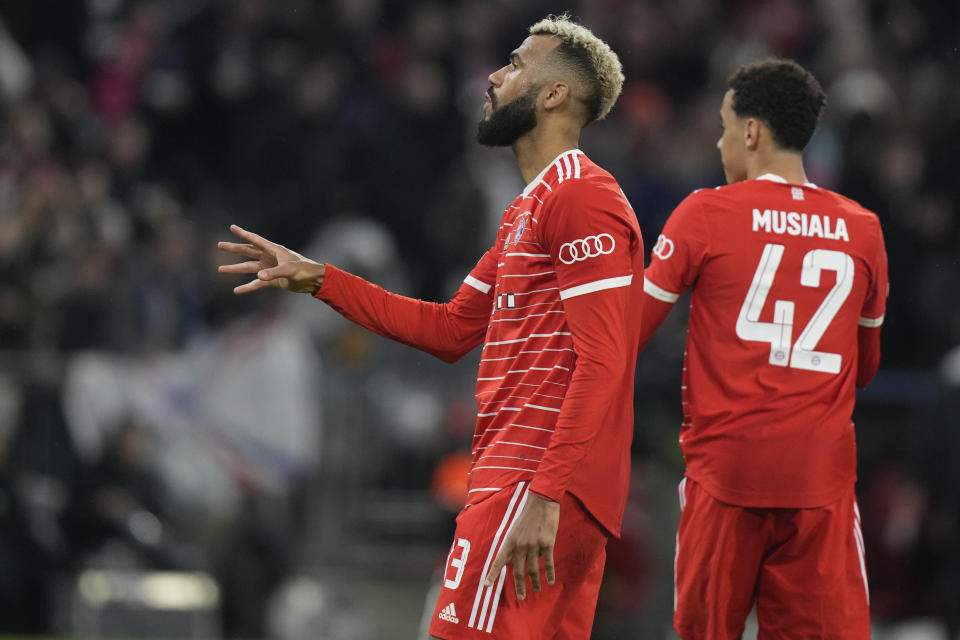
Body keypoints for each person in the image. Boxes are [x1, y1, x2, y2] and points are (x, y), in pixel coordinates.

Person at [218, 15, 644, 640]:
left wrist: (545, 496)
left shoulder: (581, 199)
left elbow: (604, 359)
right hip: (532, 485)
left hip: (532, 484)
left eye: (518, 63)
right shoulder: (531, 208)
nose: (496, 76)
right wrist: (319, 280)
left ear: (554, 94)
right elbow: (449, 330)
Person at [637, 58, 888, 639]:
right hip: (819, 485)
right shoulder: (863, 229)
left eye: (725, 126)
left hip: (726, 475)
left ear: (751, 132)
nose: (721, 142)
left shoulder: (704, 212)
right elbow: (865, 369)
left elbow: (627, 330)